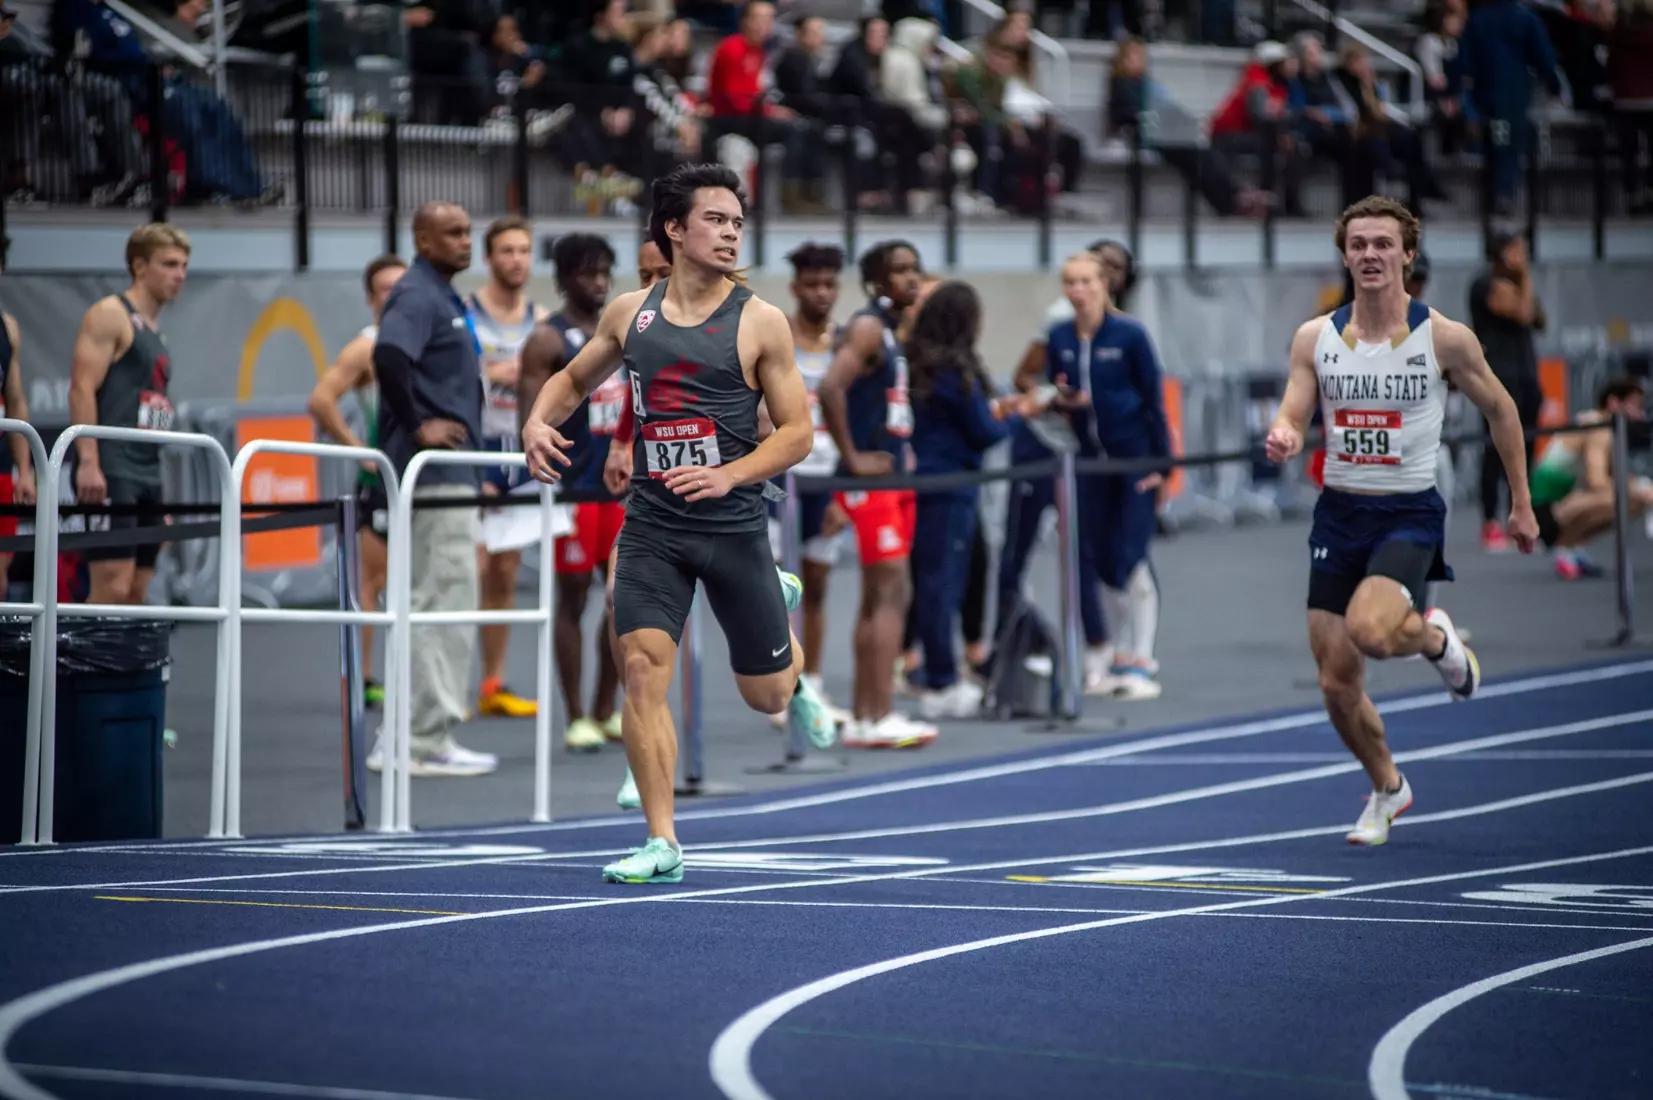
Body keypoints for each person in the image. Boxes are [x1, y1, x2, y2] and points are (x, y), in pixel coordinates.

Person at [523, 162, 836, 884]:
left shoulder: (760, 321)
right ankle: (662, 840)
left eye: (735, 222)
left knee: (764, 697)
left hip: (731, 527)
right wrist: (537, 423)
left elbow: (797, 434)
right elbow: (572, 380)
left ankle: (794, 671)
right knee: (639, 671)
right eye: (714, 220)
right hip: (653, 526)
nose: (729, 233)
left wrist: (728, 472)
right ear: (674, 228)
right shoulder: (630, 313)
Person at [1265, 195, 1539, 847]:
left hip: (1407, 511)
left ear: (1406, 255)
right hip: (1338, 515)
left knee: (1370, 630)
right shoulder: (1315, 338)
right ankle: (1387, 787)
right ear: (1344, 254)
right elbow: (1293, 409)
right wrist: (1281, 433)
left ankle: (1433, 641)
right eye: (1357, 244)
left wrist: (1521, 503)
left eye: (1381, 244)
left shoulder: (1443, 337)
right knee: (1335, 682)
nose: (1368, 255)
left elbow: (1502, 411)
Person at [369, 201, 496, 778]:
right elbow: (388, 355)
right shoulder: (418, 294)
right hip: (434, 473)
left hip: (447, 473)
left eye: (469, 232)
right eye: (453, 233)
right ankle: (422, 740)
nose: (466, 241)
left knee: (433, 600)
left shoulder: (441, 294)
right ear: (422, 239)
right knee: (442, 601)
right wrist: (419, 423)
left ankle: (407, 736)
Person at [1030, 251, 1171, 701]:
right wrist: (1061, 401)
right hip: (1089, 464)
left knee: (1129, 556)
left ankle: (1142, 658)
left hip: (1133, 462)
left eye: (1087, 282)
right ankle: (1113, 654)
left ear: (1104, 284)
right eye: (1070, 282)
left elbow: (1153, 398)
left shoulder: (1129, 335)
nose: (1078, 290)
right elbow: (1059, 387)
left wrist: (1161, 465)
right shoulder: (1059, 337)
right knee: (1098, 558)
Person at [817, 240, 939, 748]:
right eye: (900, 271)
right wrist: (854, 456)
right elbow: (828, 388)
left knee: (881, 596)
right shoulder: (868, 327)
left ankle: (870, 715)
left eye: (916, 269)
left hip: (891, 476)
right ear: (876, 282)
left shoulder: (890, 332)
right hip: (873, 481)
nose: (912, 279)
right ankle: (879, 711)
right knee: (890, 593)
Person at [1002, 240, 1133, 692]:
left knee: (1081, 549)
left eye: (1115, 270)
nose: (1106, 278)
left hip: (1081, 454)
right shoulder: (1061, 319)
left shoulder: (1120, 327)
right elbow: (1025, 375)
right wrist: (1053, 400)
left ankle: (1099, 651)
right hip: (1039, 445)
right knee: (1016, 552)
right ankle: (1009, 652)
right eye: (1084, 277)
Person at [516, 233, 626, 753]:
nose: (599, 282)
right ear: (563, 279)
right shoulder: (547, 340)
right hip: (574, 491)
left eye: (604, 271)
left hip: (621, 490)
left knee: (622, 599)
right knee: (574, 598)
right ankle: (575, 714)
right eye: (587, 273)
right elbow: (531, 421)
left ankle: (607, 709)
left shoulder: (622, 332)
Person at [906, 281, 1028, 719]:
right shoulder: (955, 372)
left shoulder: (921, 363)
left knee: (935, 581)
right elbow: (983, 432)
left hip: (928, 481)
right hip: (951, 485)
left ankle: (941, 671)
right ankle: (941, 681)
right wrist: (1016, 417)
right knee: (942, 583)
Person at [306, 253, 407, 710]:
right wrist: (362, 453)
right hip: (381, 481)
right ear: (370, 299)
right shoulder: (366, 346)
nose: (393, 296)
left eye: (400, 287)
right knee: (373, 581)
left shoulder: (425, 337)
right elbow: (321, 400)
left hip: (424, 478)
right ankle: (364, 678)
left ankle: (416, 680)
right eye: (384, 288)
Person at [68, 223, 188, 606]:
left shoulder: (158, 333)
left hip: (147, 474)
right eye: (169, 264)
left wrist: (160, 499)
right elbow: (81, 388)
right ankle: (86, 669)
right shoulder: (110, 315)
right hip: (112, 468)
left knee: (137, 591)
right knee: (111, 589)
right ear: (139, 267)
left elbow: (155, 415)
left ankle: (129, 670)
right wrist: (89, 461)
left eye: (184, 265)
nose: (179, 275)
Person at [763, 242, 854, 727]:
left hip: (828, 477)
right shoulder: (778, 337)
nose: (822, 293)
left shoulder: (847, 342)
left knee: (817, 585)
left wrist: (845, 491)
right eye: (812, 284)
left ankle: (812, 683)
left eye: (829, 284)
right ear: (796, 287)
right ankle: (782, 683)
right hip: (782, 479)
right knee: (778, 586)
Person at [468, 215, 549, 719]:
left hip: (519, 454)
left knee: (504, 573)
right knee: (469, 570)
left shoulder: (541, 318)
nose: (516, 260)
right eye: (507, 251)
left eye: (523, 250)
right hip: (475, 450)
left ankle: (491, 682)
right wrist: (498, 372)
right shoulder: (468, 314)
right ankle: (447, 684)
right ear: (489, 258)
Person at [1531, 377, 1653, 580]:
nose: (1639, 413)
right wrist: (1639, 490)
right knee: (1630, 500)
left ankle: (1573, 546)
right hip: (1546, 509)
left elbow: (1612, 476)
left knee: (1634, 499)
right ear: (1614, 403)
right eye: (1634, 405)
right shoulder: (1599, 427)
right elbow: (1596, 481)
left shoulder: (1605, 427)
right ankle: (1565, 546)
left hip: (1557, 499)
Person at [1470, 229, 1546, 553]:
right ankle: (1490, 521)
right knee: (1493, 450)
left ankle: (1524, 515)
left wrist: (1524, 281)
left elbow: (1538, 318)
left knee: (1526, 448)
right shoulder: (1484, 283)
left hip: (1526, 375)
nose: (1523, 256)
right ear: (1501, 253)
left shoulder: (1520, 286)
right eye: (1517, 250)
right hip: (1499, 378)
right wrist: (1525, 275)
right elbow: (1522, 312)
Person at [1, 277, 38, 590]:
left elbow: (14, 398)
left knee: (0, 575)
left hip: (0, 469)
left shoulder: (7, 325)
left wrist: (24, 471)